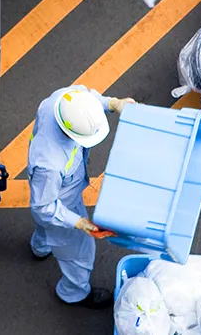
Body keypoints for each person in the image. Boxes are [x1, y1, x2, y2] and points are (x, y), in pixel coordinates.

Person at [28, 85, 136, 308]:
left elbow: (90, 99)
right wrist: (77, 222)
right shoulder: (51, 163)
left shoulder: (62, 100)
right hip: (62, 205)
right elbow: (45, 207)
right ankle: (73, 292)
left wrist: (113, 103)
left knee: (43, 227)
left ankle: (40, 248)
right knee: (79, 254)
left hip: (49, 192)